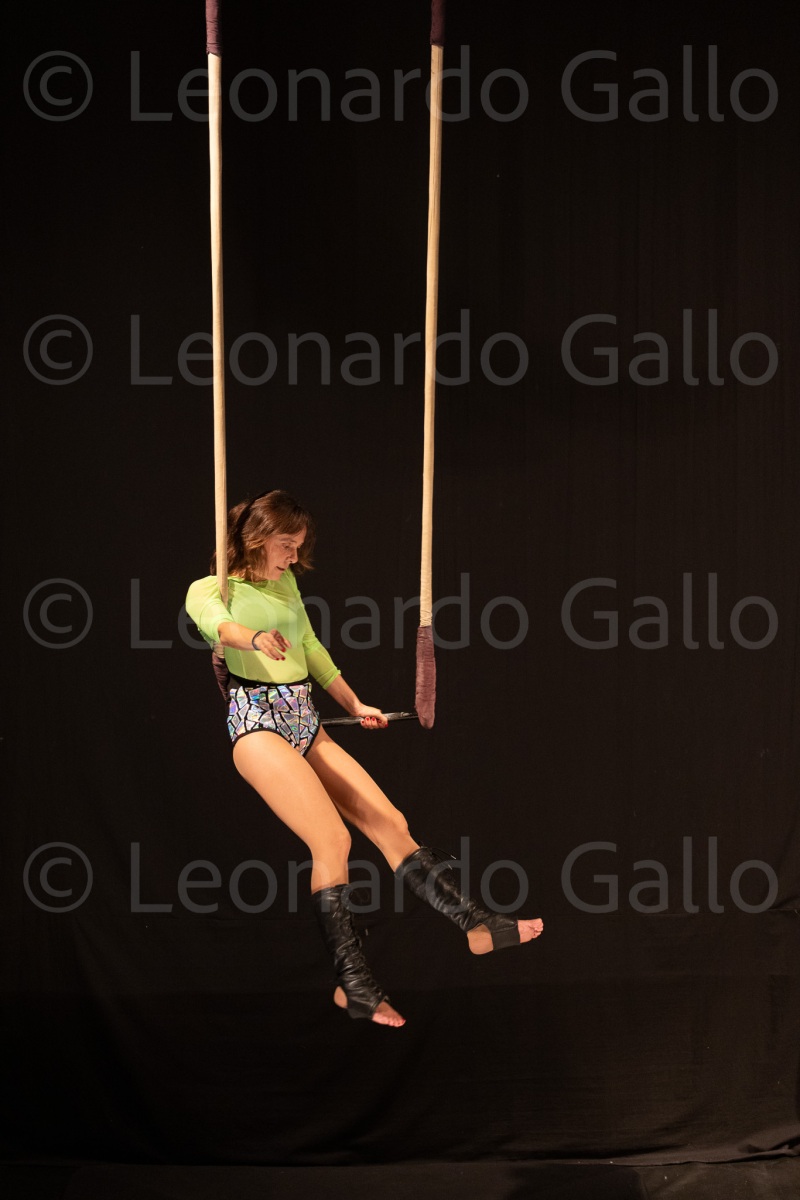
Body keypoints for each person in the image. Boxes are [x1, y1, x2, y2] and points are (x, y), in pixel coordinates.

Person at [185, 489, 543, 1028]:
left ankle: (476, 924)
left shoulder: (286, 584)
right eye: (286, 545)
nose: (293, 556)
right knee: (332, 840)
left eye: (298, 546)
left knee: (390, 822)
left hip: (304, 721)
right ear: (257, 539)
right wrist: (254, 638)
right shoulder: (212, 589)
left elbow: (311, 648)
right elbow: (220, 628)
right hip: (256, 727)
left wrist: (355, 705)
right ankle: (352, 985)